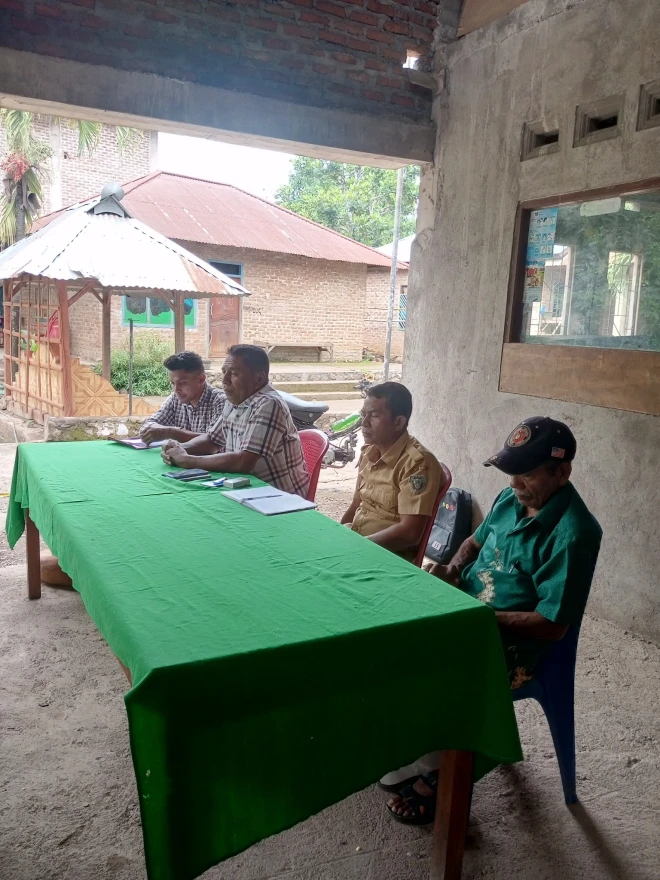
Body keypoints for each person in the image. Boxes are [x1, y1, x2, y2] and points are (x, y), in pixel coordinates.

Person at [384, 416, 602, 825]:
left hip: (519, 641)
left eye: (528, 475)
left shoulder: (575, 533)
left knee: (440, 667)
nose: (516, 485)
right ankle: (419, 748)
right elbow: (473, 542)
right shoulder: (509, 499)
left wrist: (483, 619)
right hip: (469, 611)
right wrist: (451, 568)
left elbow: (552, 625)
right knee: (393, 635)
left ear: (562, 472)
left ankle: (447, 770)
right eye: (512, 474)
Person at [161, 344, 309, 498]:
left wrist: (188, 460)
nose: (224, 380)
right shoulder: (235, 400)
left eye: (233, 374)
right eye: (224, 372)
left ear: (259, 378)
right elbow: (212, 440)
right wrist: (178, 449)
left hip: (279, 496)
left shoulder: (269, 403)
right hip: (244, 490)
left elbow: (243, 462)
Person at [341, 382, 444, 559]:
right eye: (363, 415)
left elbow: (409, 533)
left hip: (385, 557)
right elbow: (355, 505)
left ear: (398, 422)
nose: (364, 423)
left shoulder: (416, 464)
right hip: (356, 543)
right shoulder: (369, 451)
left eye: (373, 416)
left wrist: (357, 548)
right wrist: (337, 536)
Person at [140, 350, 226, 444]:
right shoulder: (175, 399)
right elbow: (147, 426)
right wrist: (162, 431)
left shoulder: (220, 402)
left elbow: (214, 443)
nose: (176, 390)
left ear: (201, 379)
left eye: (182, 383)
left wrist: (173, 433)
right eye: (173, 383)